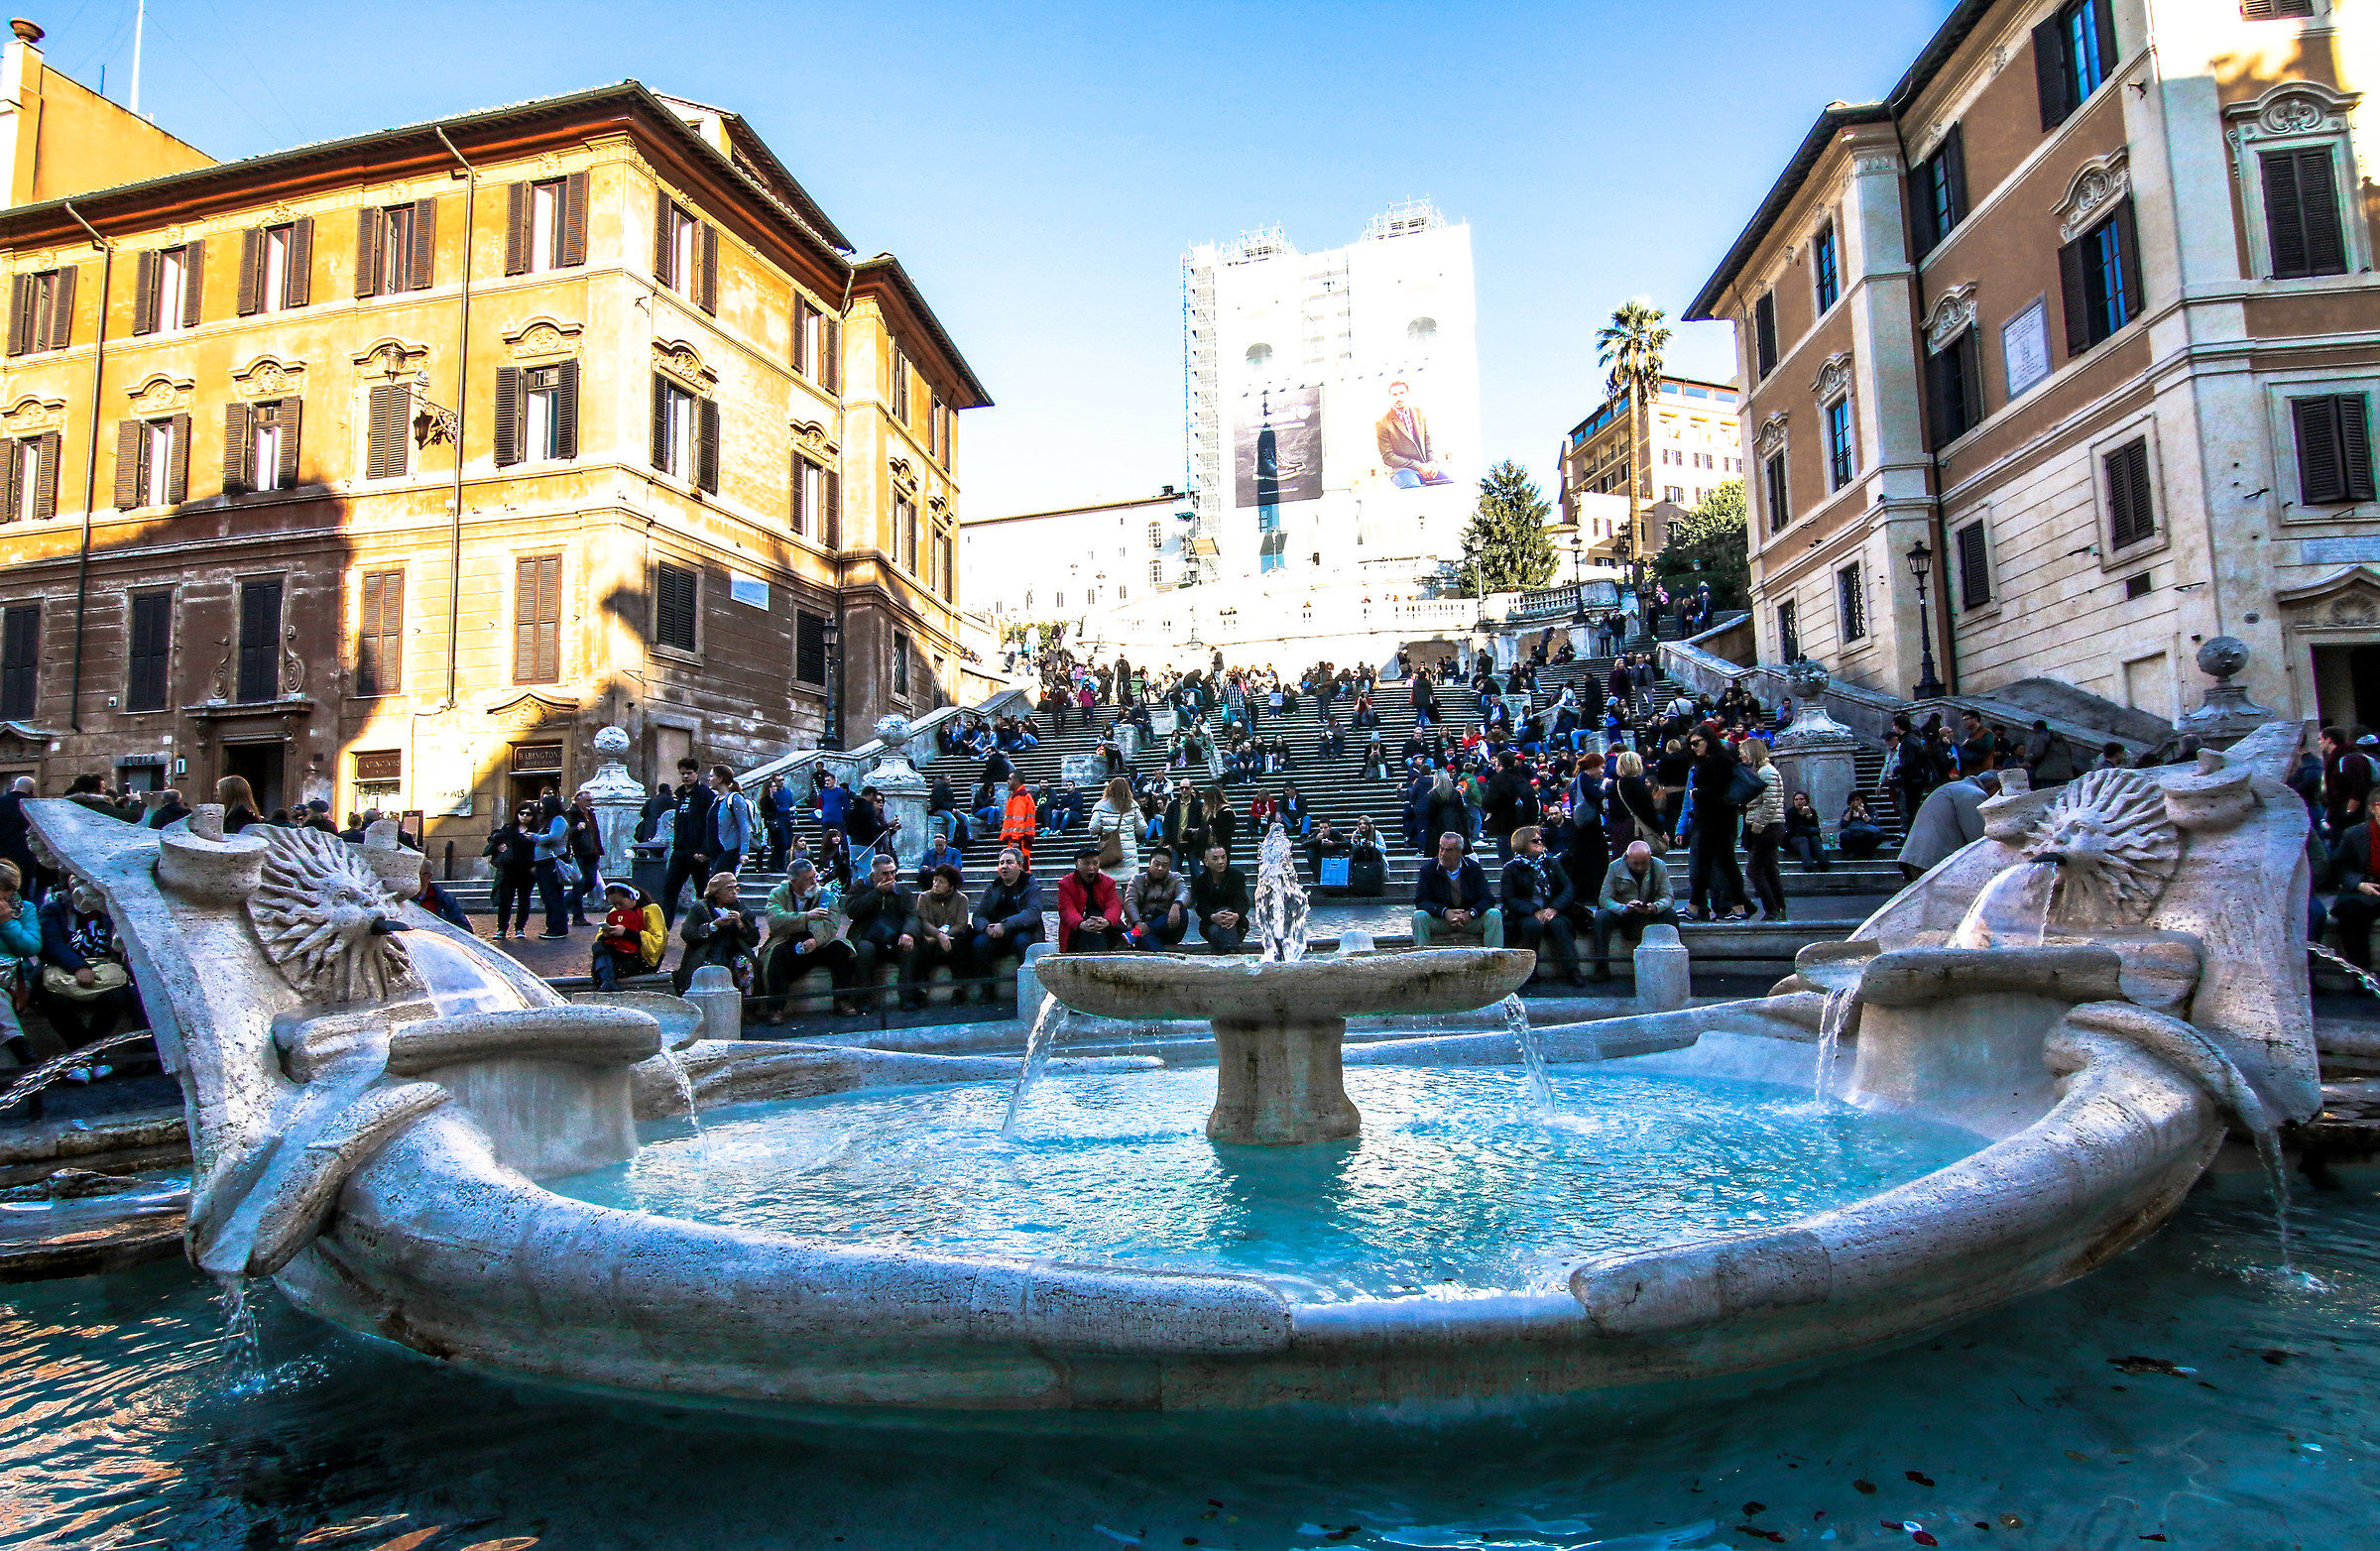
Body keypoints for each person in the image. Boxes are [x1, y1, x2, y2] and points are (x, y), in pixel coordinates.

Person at [37, 875, 142, 1056]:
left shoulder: (112, 912)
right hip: (64, 970)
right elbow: (51, 944)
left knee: (116, 997)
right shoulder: (54, 910)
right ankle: (87, 1055)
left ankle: (85, 1056)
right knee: (53, 1000)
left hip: (106, 971)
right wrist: (78, 967)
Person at [764, 858, 862, 1014]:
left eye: (815, 876)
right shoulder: (777, 894)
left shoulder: (825, 894)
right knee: (777, 954)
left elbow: (831, 923)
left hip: (818, 942)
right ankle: (776, 1008)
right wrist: (806, 916)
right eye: (809, 879)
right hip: (789, 941)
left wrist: (816, 940)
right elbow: (776, 921)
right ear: (794, 881)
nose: (814, 881)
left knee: (841, 949)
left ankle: (842, 1000)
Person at [1501, 825, 1583, 986]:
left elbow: (1567, 888)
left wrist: (1554, 908)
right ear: (1523, 843)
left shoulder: (1551, 863)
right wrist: (1533, 910)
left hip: (1551, 910)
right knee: (1532, 926)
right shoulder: (1511, 868)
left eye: (1540, 839)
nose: (1540, 843)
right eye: (1535, 841)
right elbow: (1509, 898)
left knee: (1559, 925)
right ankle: (1529, 972)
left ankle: (1573, 971)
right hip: (1525, 914)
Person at [1685, 728, 1749, 922]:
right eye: (1691, 744)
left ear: (1708, 740)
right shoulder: (1714, 758)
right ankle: (1735, 908)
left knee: (1712, 864)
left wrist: (1696, 793)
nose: (1693, 747)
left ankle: (1695, 907)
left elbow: (1718, 789)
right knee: (1720, 864)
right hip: (1715, 819)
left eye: (1696, 742)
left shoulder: (1719, 759)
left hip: (1716, 820)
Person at [1592, 840, 1679, 981]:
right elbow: (1604, 899)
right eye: (1636, 863)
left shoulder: (1659, 866)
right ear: (1627, 858)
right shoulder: (1615, 867)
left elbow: (1668, 897)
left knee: (1671, 915)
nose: (1640, 867)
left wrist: (1654, 906)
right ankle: (1601, 966)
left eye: (1644, 863)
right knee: (1601, 916)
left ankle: (1675, 963)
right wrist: (1623, 908)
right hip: (1624, 913)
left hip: (1650, 912)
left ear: (1650, 858)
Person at [671, 873, 761, 995]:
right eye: (729, 888)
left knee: (744, 963)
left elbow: (754, 940)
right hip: (706, 953)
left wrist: (740, 924)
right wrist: (713, 926)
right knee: (706, 970)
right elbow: (687, 934)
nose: (734, 892)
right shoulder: (700, 908)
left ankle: (748, 1003)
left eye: (736, 888)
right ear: (717, 892)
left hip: (732, 953)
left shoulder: (742, 909)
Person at [897, 863, 973, 1008]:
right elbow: (924, 922)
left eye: (941, 882)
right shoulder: (924, 897)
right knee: (921, 946)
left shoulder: (961, 899)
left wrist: (945, 936)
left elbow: (961, 924)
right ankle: (921, 990)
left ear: (951, 886)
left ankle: (959, 988)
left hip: (951, 939)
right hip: (930, 939)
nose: (936, 884)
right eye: (935, 880)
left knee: (962, 941)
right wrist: (939, 935)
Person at [1898, 771, 1998, 878]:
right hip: (1934, 861)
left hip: (1918, 856)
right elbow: (1979, 840)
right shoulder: (1974, 794)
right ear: (1992, 785)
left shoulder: (1955, 788)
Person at [1412, 831, 1503, 948]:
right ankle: (1422, 960)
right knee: (1419, 916)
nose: (1443, 854)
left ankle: (1495, 958)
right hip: (1441, 920)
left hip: (1469, 919)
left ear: (1459, 852)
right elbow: (1421, 901)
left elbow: (1488, 898)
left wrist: (1471, 913)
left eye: (1448, 850)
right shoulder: (1428, 869)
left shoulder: (1473, 868)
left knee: (1494, 914)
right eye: (1441, 848)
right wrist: (1444, 912)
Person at [845, 852, 912, 1004]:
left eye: (893, 872)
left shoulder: (902, 891)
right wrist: (876, 893)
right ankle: (863, 999)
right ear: (873, 875)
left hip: (894, 935)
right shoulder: (859, 887)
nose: (890, 877)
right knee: (864, 950)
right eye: (885, 873)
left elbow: (911, 915)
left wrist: (908, 933)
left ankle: (908, 997)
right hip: (866, 935)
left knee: (909, 948)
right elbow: (852, 911)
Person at [971, 848, 1045, 984]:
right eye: (1001, 863)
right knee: (979, 943)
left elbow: (1032, 913)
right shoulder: (993, 887)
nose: (1004, 866)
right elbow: (978, 915)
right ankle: (986, 988)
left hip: (1024, 931)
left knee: (1022, 942)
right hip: (997, 933)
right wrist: (986, 928)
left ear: (1020, 866)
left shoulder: (1032, 886)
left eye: (1009, 862)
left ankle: (1027, 986)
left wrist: (1005, 925)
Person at [659, 758, 714, 925]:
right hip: (680, 851)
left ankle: (709, 926)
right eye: (682, 774)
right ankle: (663, 930)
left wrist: (705, 850)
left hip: (698, 852)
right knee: (669, 890)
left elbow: (710, 825)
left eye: (689, 773)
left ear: (696, 773)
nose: (685, 777)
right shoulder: (680, 794)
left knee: (703, 892)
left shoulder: (706, 794)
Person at [1738, 738, 1788, 922]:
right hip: (1768, 826)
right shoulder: (1760, 771)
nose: (1742, 755)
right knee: (1769, 869)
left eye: (1744, 751)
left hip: (1767, 827)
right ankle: (1779, 908)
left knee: (1754, 870)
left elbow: (1770, 802)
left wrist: (1758, 825)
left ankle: (1772, 909)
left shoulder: (1766, 772)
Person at [482, 802, 541, 940]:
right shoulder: (509, 828)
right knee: (505, 901)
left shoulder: (536, 831)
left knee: (524, 901)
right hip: (509, 871)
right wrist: (499, 846)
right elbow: (494, 837)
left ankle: (520, 928)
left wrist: (535, 865)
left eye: (528, 814)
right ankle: (502, 928)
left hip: (527, 872)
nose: (524, 817)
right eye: (522, 813)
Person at [591, 882, 665, 990]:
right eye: (614, 904)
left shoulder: (652, 910)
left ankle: (607, 982)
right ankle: (608, 982)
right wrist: (606, 935)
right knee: (598, 947)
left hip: (642, 960)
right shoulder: (615, 912)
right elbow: (599, 938)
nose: (618, 907)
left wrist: (626, 933)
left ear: (633, 897)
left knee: (602, 968)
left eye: (620, 903)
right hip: (620, 956)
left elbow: (657, 943)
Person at [1057, 846, 1125, 953]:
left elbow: (1114, 906)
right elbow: (1066, 910)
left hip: (1104, 924)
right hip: (1077, 928)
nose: (1091, 867)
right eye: (1086, 863)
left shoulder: (1108, 882)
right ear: (1077, 865)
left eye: (1095, 863)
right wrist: (1081, 924)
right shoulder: (1065, 884)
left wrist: (1107, 921)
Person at [1191, 842, 1250, 954]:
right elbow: (1201, 907)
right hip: (1211, 923)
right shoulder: (1200, 882)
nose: (1221, 862)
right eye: (1215, 858)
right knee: (1215, 929)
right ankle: (1232, 952)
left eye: (1223, 857)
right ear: (1206, 862)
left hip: (1236, 923)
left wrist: (1236, 916)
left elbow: (1243, 901)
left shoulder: (1237, 876)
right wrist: (1213, 916)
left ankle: (1223, 953)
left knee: (1218, 930)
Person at [530, 793, 573, 940]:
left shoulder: (558, 820)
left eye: (543, 806)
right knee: (548, 896)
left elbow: (554, 837)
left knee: (553, 895)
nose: (541, 809)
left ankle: (558, 928)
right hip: (544, 863)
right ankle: (552, 926)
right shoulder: (549, 821)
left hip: (551, 863)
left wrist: (534, 837)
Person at [1087, 776, 1140, 886]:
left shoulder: (1100, 805)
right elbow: (1142, 829)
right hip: (1128, 856)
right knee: (1129, 890)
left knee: (1107, 887)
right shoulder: (1133, 805)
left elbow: (1092, 829)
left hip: (1109, 853)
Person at [412, 860, 472, 929]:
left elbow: (465, 929)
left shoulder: (444, 899)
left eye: (416, 873)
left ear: (428, 876)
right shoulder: (401, 899)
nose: (411, 877)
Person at [1784, 790, 1831, 872]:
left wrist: (1809, 816)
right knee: (1803, 840)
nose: (1799, 801)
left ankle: (1824, 863)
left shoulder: (1811, 812)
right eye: (1796, 799)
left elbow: (1816, 830)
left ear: (1806, 801)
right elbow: (1791, 831)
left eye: (1801, 799)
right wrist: (1806, 830)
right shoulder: (1790, 813)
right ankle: (1808, 865)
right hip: (1793, 839)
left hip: (1810, 838)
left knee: (1815, 839)